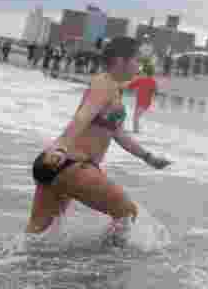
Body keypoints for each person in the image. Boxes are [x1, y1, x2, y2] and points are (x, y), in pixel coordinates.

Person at [27, 36, 172, 245]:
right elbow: (82, 116)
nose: (138, 65)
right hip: (71, 164)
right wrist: (62, 148)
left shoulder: (112, 88)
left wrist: (148, 158)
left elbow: (118, 133)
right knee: (127, 215)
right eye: (136, 60)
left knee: (37, 238)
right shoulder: (104, 84)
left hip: (55, 165)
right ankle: (102, 269)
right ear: (121, 60)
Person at [127, 64, 159, 134]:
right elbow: (130, 86)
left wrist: (155, 97)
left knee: (136, 117)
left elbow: (155, 92)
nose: (141, 73)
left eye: (142, 72)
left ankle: (136, 131)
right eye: (141, 72)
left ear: (146, 73)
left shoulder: (152, 81)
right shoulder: (140, 80)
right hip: (139, 102)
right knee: (135, 117)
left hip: (145, 103)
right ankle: (136, 130)